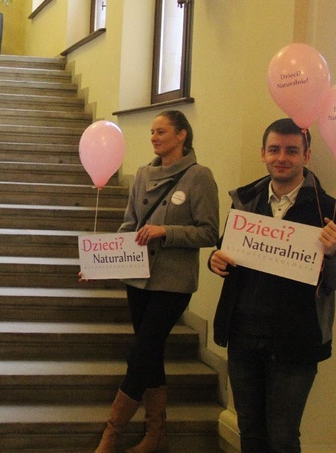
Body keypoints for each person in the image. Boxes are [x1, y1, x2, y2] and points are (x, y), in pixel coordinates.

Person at [208, 118, 336, 453]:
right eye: (275, 149)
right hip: (243, 335)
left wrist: (335, 251)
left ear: (306, 156)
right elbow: (226, 252)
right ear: (262, 153)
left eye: (292, 151)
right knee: (249, 432)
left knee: (282, 439)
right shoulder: (245, 200)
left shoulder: (328, 209)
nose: (282, 157)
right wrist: (214, 261)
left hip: (296, 342)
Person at [95, 110, 219, 453]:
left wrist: (167, 231)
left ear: (181, 135)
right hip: (137, 279)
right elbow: (129, 224)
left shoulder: (199, 176)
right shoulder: (142, 174)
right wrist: (99, 261)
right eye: (151, 131)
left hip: (173, 282)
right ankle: (156, 433)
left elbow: (209, 231)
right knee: (151, 354)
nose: (153, 137)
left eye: (161, 131)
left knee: (141, 353)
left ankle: (111, 433)